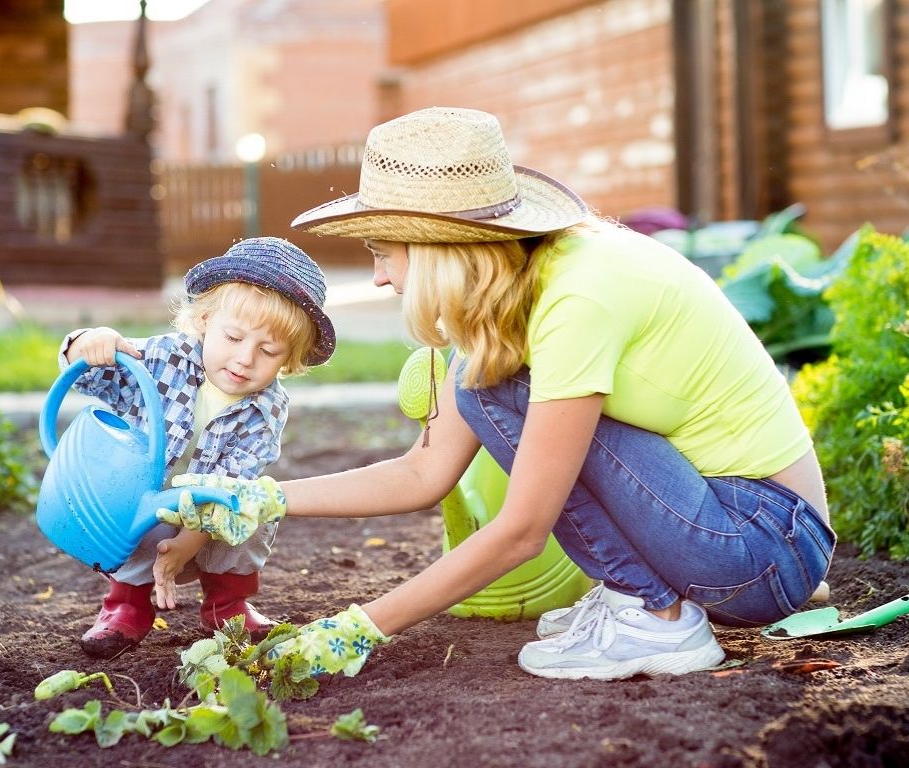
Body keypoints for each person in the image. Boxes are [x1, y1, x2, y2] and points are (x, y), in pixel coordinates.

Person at [160, 107, 836, 681]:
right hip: (723, 531)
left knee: (487, 385)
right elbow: (422, 473)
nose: (379, 280)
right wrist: (265, 498)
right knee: (482, 380)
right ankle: (648, 600)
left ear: (438, 251)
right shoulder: (527, 287)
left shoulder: (577, 297)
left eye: (384, 252)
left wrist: (355, 630)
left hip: (762, 545)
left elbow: (521, 531)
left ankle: (656, 617)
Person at [60, 236, 335, 658]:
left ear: (289, 359)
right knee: (130, 514)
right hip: (140, 504)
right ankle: (126, 606)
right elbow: (88, 376)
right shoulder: (160, 358)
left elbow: (232, 481)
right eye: (233, 337)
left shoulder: (267, 406)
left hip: (209, 510)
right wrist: (88, 342)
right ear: (205, 319)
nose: (245, 359)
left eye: (267, 350)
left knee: (254, 507)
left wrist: (191, 539)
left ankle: (227, 605)